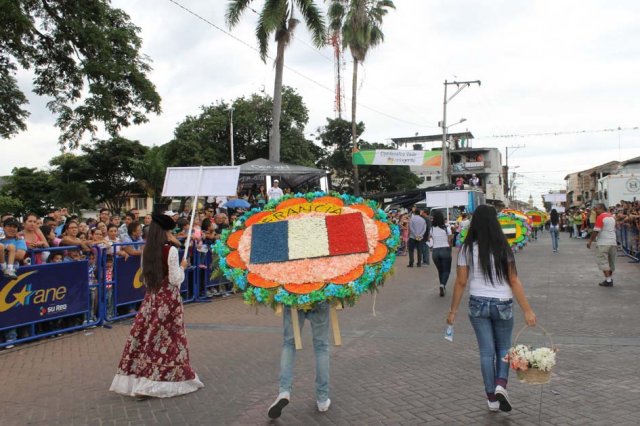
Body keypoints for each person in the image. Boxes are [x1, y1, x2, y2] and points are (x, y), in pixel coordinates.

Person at [447, 205, 537, 412]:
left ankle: (491, 398)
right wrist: (527, 310)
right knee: (504, 348)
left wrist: (453, 311)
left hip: (477, 303)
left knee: (486, 352)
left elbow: (460, 282)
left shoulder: (466, 248)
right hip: (502, 303)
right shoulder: (503, 247)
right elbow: (513, 280)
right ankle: (501, 385)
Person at [109, 213, 204, 399]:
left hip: (151, 298)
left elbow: (145, 278)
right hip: (169, 299)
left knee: (147, 337)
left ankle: (142, 378)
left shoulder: (147, 250)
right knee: (168, 339)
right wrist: (183, 266)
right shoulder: (171, 251)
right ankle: (157, 380)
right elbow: (176, 279)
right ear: (166, 232)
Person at [268, 301, 331, 419]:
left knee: (289, 344)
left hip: (293, 297)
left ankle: (284, 390)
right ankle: (322, 399)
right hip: (320, 295)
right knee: (321, 346)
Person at [587, 203, 617, 287]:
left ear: (601, 208)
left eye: (596, 209)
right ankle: (609, 278)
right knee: (611, 262)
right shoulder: (612, 217)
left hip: (603, 242)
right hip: (613, 242)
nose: (595, 211)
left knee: (603, 261)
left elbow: (596, 231)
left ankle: (608, 280)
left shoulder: (601, 217)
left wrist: (590, 241)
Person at [430, 211, 453, 297]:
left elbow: (430, 238)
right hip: (445, 249)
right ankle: (442, 285)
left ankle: (442, 285)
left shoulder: (432, 228)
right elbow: (450, 239)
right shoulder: (447, 227)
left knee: (440, 270)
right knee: (446, 270)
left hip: (435, 251)